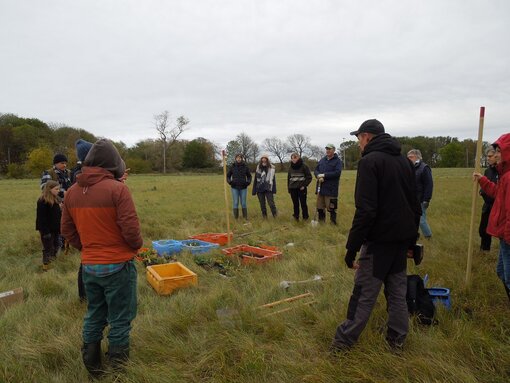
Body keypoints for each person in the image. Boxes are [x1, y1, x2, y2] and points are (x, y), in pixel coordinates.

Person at [331, 119, 421, 352]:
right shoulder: (404, 162)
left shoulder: (369, 162)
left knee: (363, 295)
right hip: (400, 241)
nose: (358, 143)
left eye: (358, 138)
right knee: (397, 294)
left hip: (379, 243)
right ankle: (397, 341)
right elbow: (414, 206)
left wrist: (352, 249)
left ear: (367, 137)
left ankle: (342, 344)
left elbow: (366, 210)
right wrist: (411, 241)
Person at [61, 139, 142, 377]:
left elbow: (66, 230)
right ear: (112, 164)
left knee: (95, 312)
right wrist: (135, 247)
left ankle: (93, 366)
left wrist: (86, 249)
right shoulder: (118, 189)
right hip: (119, 266)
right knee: (120, 318)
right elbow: (131, 230)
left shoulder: (72, 193)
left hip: (89, 267)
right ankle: (118, 368)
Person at [474, 134, 510, 303]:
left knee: (507, 276)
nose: (495, 154)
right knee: (502, 273)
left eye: (498, 150)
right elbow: (498, 195)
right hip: (504, 236)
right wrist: (483, 181)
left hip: (508, 237)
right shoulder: (505, 175)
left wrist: (507, 237)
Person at [70, 139, 94, 302]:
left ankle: (86, 295)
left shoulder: (81, 170)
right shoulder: (79, 173)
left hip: (87, 218)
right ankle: (84, 295)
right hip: (84, 219)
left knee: (87, 260)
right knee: (86, 261)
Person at [35, 180, 62, 271]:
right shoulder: (42, 200)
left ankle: (53, 263)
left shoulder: (57, 199)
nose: (58, 190)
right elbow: (41, 218)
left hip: (56, 228)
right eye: (56, 189)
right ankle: (46, 267)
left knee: (57, 245)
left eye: (59, 188)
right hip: (46, 230)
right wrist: (45, 232)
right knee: (48, 248)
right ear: (49, 189)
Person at [407, 149, 433, 239]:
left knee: (421, 219)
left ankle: (428, 236)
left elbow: (429, 184)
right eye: (408, 157)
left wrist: (427, 199)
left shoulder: (424, 168)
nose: (409, 159)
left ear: (417, 157)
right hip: (411, 199)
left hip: (421, 198)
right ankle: (414, 236)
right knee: (411, 219)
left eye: (411, 157)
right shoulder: (409, 167)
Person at [314, 143, 342, 225]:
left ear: (334, 150)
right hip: (321, 188)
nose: (328, 151)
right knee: (320, 207)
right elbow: (316, 170)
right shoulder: (322, 160)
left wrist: (324, 175)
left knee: (331, 208)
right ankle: (321, 223)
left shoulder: (338, 161)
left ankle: (333, 224)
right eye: (327, 149)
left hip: (331, 189)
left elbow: (337, 173)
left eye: (329, 149)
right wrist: (318, 176)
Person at [479, 146, 499, 251]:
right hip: (487, 206)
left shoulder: (501, 172)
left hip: (497, 205)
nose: (488, 158)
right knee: (483, 229)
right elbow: (485, 185)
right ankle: (484, 249)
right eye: (487, 156)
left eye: (490, 156)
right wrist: (481, 191)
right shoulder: (487, 171)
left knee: (501, 232)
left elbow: (496, 190)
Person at [287, 152, 312, 221]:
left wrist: (304, 185)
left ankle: (305, 217)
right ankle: (296, 216)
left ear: (298, 157)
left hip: (301, 189)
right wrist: (289, 188)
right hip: (292, 188)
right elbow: (289, 178)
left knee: (303, 203)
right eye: (292, 158)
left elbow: (309, 177)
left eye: (295, 157)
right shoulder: (290, 167)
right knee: (295, 204)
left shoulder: (304, 166)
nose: (294, 159)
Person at [226, 153, 252, 219]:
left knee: (243, 203)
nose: (238, 159)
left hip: (243, 187)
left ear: (241, 158)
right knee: (235, 202)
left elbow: (249, 176)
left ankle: (245, 217)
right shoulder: (232, 166)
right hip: (234, 187)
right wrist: (230, 182)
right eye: (237, 158)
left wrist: (248, 182)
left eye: (240, 158)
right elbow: (228, 176)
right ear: (235, 158)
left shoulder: (245, 166)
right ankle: (236, 218)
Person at [252, 154, 277, 218]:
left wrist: (274, 189)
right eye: (262, 158)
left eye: (265, 158)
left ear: (267, 159)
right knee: (262, 204)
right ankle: (264, 217)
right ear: (261, 160)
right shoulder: (258, 168)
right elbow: (255, 179)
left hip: (268, 188)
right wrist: (254, 190)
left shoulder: (271, 168)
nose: (264, 159)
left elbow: (273, 180)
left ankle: (275, 215)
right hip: (260, 188)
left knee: (271, 203)